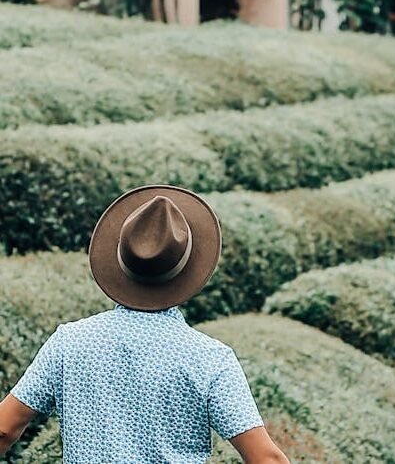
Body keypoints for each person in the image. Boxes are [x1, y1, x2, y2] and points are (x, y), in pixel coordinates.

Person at [0, 184, 290, 464]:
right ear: (188, 270)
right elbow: (266, 458)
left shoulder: (69, 341)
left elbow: (4, 428)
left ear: (119, 260)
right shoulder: (210, 359)